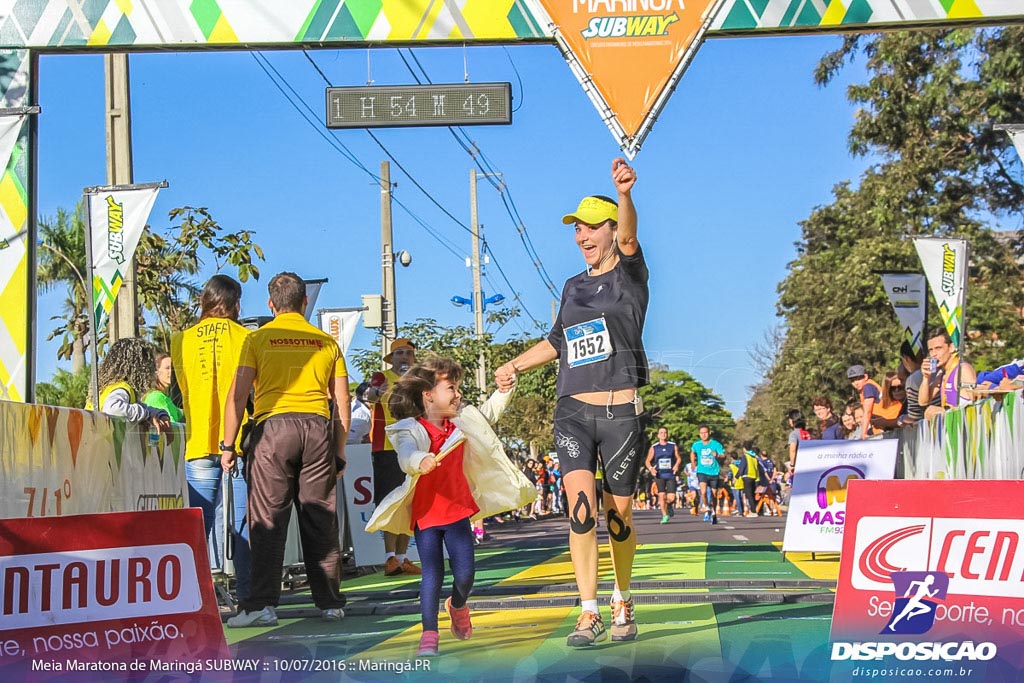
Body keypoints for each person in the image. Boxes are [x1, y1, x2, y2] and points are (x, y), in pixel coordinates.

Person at [493, 158, 645, 647]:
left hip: (620, 412)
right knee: (580, 510)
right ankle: (588, 611)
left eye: (589, 227)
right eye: (576, 229)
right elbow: (558, 340)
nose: (581, 236)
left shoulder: (630, 276)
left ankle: (623, 599)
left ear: (609, 229)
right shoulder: (572, 287)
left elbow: (628, 240)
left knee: (617, 516)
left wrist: (623, 195)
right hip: (573, 411)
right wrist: (514, 364)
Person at [364, 357, 534, 657]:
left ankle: (457, 605)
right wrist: (420, 461)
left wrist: (505, 389)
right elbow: (406, 455)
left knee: (466, 574)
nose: (458, 394)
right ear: (428, 394)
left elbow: (490, 412)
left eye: (458, 388)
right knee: (432, 572)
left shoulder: (464, 422)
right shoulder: (409, 429)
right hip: (427, 514)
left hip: (457, 512)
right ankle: (429, 633)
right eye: (451, 388)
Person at [221, 272, 349, 627]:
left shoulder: (257, 339)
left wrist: (228, 445)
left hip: (272, 431)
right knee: (320, 517)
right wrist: (338, 451)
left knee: (268, 519)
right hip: (317, 428)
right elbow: (342, 402)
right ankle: (330, 603)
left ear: (270, 304)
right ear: (305, 302)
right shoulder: (326, 342)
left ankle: (261, 605)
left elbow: (237, 396)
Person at [171, 275, 253, 602]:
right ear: (234, 303)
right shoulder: (246, 337)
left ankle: (191, 600)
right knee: (243, 524)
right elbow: (253, 395)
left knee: (196, 530)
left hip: (198, 442)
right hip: (238, 442)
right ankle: (249, 599)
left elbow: (177, 397)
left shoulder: (180, 340)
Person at [369, 338, 422, 577]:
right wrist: (374, 391)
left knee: (410, 503)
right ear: (392, 358)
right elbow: (368, 396)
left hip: (415, 448)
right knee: (391, 502)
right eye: (399, 353)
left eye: (408, 354)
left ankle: (402, 558)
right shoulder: (381, 377)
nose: (404, 357)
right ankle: (389, 557)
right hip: (387, 448)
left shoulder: (419, 381)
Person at [87, 338, 171, 432]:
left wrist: (159, 414)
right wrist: (146, 416)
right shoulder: (122, 389)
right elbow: (113, 409)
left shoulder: (108, 388)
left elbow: (142, 407)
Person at [920, 328, 977, 419]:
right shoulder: (941, 374)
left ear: (951, 348)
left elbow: (976, 404)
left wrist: (945, 411)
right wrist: (926, 378)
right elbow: (923, 402)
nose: (934, 354)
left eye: (938, 348)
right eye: (931, 350)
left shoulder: (962, 369)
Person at [645, 427, 682, 524]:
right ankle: (665, 515)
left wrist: (676, 465)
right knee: (661, 496)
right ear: (658, 435)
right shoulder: (654, 447)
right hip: (659, 475)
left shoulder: (673, 446)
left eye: (665, 432)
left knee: (671, 498)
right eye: (661, 433)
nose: (663, 434)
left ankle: (669, 505)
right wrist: (651, 469)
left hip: (670, 474)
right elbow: (647, 461)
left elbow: (678, 458)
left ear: (667, 434)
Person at [691, 425, 726, 525]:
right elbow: (692, 452)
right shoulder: (696, 445)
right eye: (702, 433)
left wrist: (718, 455)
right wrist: (693, 463)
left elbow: (723, 454)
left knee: (714, 494)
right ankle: (707, 508)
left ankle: (714, 512)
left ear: (709, 433)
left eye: (705, 432)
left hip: (714, 472)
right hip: (702, 471)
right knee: (703, 491)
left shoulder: (715, 444)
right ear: (699, 434)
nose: (704, 435)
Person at [143, 351, 184, 422]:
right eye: (167, 368)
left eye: (173, 368)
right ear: (156, 372)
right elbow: (172, 427)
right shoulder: (156, 397)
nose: (171, 371)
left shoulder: (165, 397)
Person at [848, 365, 881, 440]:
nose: (855, 383)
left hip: (884, 423)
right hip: (880, 423)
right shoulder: (865, 388)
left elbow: (867, 411)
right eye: (852, 380)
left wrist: (864, 433)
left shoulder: (868, 387)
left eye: (858, 379)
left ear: (865, 377)